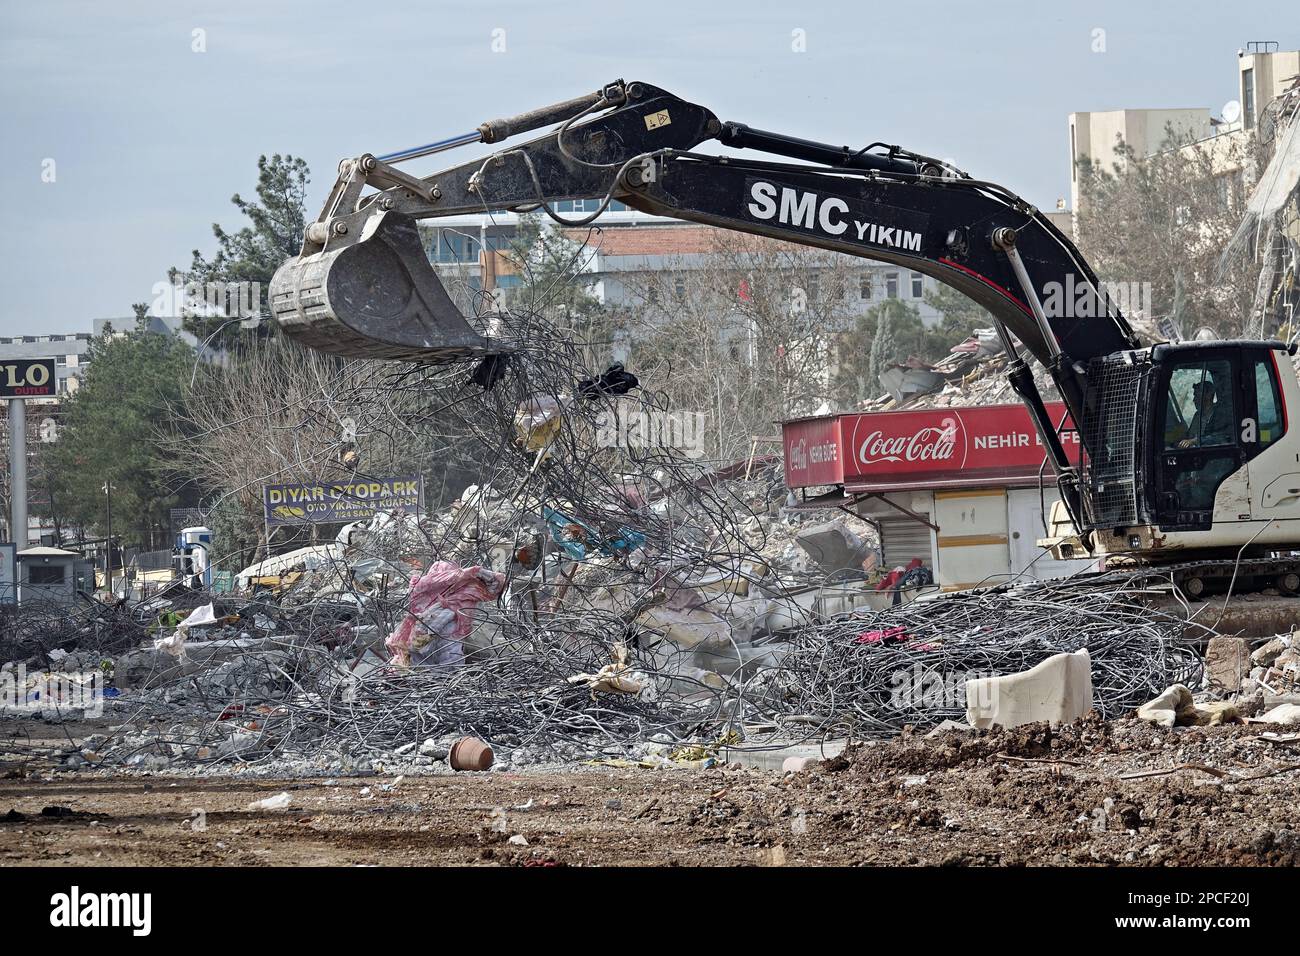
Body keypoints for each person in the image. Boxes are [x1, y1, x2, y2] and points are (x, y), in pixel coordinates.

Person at [1179, 376, 1233, 448]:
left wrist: (1194, 441)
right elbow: (1189, 435)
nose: (1194, 400)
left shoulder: (1219, 415)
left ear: (1208, 396)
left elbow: (1219, 437)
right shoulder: (1197, 415)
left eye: (1197, 396)